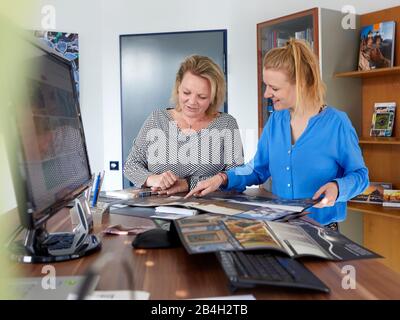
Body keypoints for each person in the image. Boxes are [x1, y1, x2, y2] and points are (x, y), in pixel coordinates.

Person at [186, 39, 369, 229]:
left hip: (323, 233)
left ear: (302, 83)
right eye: (266, 86)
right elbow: (258, 169)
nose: (267, 94)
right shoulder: (276, 120)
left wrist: (338, 188)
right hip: (282, 228)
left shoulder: (337, 123)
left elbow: (360, 176)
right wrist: (222, 178)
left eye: (274, 88)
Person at [124, 55, 244, 195]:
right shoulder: (156, 120)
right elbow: (131, 165)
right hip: (157, 209)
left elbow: (238, 177)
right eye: (187, 92)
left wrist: (188, 184)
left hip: (208, 212)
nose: (192, 102)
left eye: (202, 97)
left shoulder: (226, 124)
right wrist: (152, 179)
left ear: (213, 97)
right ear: (178, 87)